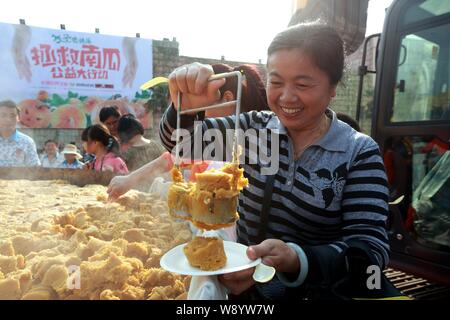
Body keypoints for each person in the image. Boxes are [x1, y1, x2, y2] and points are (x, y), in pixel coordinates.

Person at [158, 22, 390, 299]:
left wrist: (295, 259)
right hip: (242, 292)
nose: (286, 97)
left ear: (333, 87)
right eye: (276, 82)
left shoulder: (357, 153)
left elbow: (371, 252)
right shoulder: (254, 130)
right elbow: (180, 144)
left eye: (302, 84)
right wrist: (184, 107)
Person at [107, 63, 268, 199]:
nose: (200, 116)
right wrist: (129, 180)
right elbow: (171, 156)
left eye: (203, 107)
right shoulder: (216, 140)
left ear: (226, 98)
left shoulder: (255, 142)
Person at [0, 100, 40, 167]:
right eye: (3, 115)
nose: (8, 119)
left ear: (18, 118)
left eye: (12, 116)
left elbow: (35, 169)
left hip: (19, 177)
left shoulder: (27, 142)